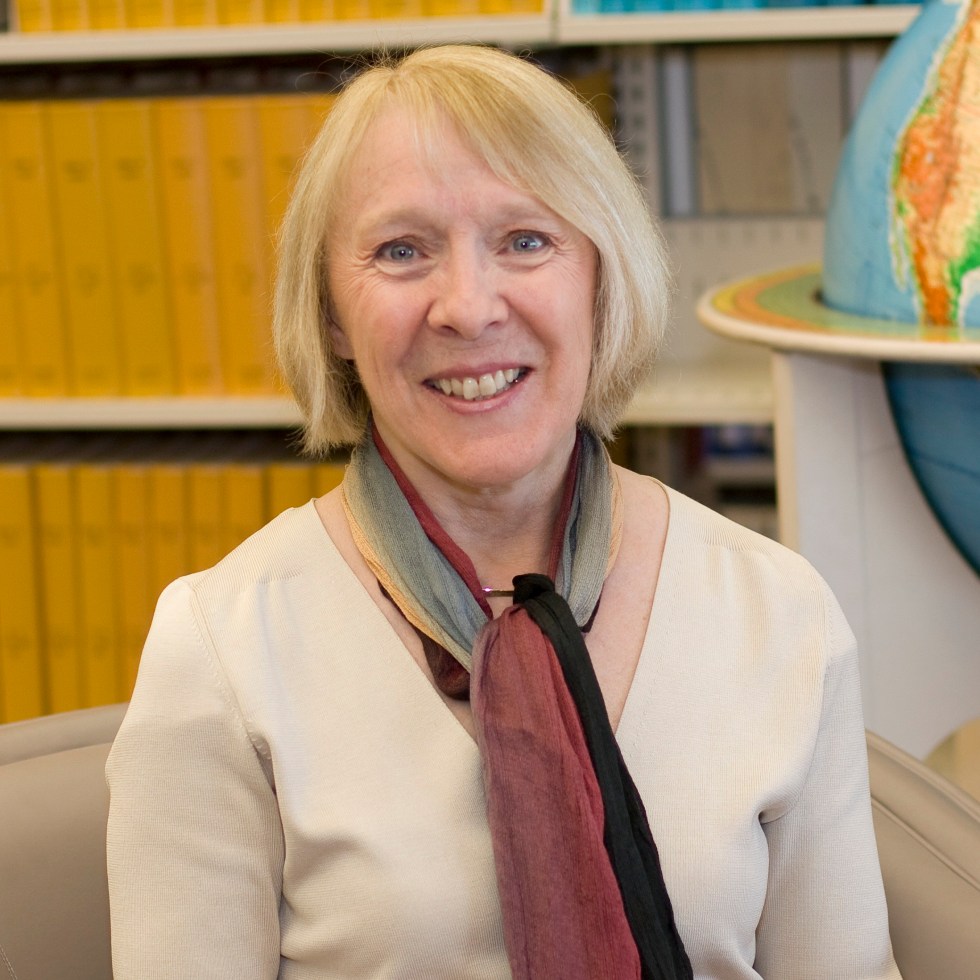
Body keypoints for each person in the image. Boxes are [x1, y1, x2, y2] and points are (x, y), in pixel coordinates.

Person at [106, 44, 903, 980]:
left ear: (600, 278)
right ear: (331, 316)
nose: (469, 307)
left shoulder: (780, 613)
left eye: (525, 240)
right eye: (402, 251)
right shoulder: (221, 649)